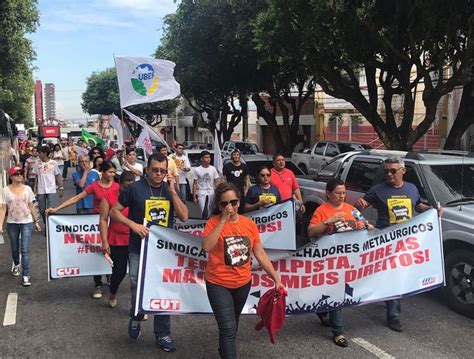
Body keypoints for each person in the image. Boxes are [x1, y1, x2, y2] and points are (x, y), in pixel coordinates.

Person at [110, 153, 188, 353]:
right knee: (138, 286)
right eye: (155, 170)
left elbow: (185, 216)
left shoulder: (170, 189)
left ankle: (162, 333)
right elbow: (114, 212)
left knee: (164, 290)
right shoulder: (135, 189)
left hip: (164, 251)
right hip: (139, 247)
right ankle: (136, 316)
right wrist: (132, 225)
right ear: (147, 170)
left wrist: (172, 190)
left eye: (163, 171)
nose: (159, 174)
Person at [354, 157, 443, 332]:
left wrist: (433, 210)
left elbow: (417, 206)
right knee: (388, 274)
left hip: (405, 241)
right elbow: (357, 209)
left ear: (403, 171)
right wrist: (362, 217)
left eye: (392, 171)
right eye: (386, 171)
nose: (388, 174)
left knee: (397, 274)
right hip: (385, 241)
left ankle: (391, 306)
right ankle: (390, 310)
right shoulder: (377, 190)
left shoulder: (411, 188)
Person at [202, 182, 284, 358]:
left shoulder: (249, 224)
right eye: (225, 203)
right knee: (228, 327)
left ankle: (224, 350)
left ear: (239, 201)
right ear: (219, 205)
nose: (230, 207)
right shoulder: (213, 223)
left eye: (234, 202)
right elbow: (207, 247)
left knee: (232, 324)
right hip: (218, 284)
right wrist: (222, 220)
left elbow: (259, 253)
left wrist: (276, 278)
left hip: (242, 283)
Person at [308, 178, 372, 347]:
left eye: (344, 192)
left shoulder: (351, 209)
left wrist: (366, 226)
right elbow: (311, 231)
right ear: (329, 193)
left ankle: (330, 321)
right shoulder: (322, 210)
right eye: (338, 193)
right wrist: (328, 222)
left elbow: (363, 223)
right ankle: (334, 327)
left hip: (347, 261)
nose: (342, 196)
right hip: (328, 261)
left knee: (337, 292)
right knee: (331, 291)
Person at [47, 161, 119, 298]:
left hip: (113, 224)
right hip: (96, 224)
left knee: (112, 252)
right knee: (97, 252)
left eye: (114, 172)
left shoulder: (117, 186)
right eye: (110, 172)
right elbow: (76, 198)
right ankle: (98, 284)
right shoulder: (94, 186)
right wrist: (56, 209)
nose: (113, 175)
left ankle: (111, 280)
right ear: (102, 172)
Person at [0, 166, 41, 286]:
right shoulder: (5, 190)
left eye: (21, 174)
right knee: (14, 249)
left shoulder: (27, 189)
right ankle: (17, 264)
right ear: (11, 176)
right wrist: (0, 224)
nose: (20, 176)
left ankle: (26, 275)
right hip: (12, 223)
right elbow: (3, 208)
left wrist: (36, 221)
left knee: (25, 250)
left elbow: (31, 205)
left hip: (26, 222)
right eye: (17, 174)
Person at [99, 171, 135, 308]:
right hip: (117, 240)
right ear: (119, 184)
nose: (128, 191)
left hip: (135, 239)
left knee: (136, 274)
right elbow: (103, 219)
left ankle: (137, 306)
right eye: (125, 187)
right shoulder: (108, 196)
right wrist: (104, 241)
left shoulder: (137, 196)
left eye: (131, 188)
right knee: (119, 272)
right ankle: (112, 291)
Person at [32, 146, 63, 225]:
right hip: (41, 189)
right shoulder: (37, 162)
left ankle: (49, 226)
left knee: (50, 209)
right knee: (42, 209)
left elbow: (57, 175)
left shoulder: (53, 163)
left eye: (40, 153)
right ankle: (46, 222)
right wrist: (34, 189)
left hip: (52, 189)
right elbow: (36, 177)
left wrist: (61, 187)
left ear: (45, 153)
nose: (39, 154)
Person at [193, 150, 220, 218]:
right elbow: (195, 183)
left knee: (210, 210)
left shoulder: (213, 169)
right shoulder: (197, 170)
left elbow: (216, 181)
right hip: (201, 191)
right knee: (203, 209)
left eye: (209, 157)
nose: (208, 159)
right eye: (206, 157)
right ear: (202, 159)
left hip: (211, 191)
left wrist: (219, 193)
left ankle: (209, 222)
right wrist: (194, 196)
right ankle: (203, 222)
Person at [223, 149, 250, 213]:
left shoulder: (244, 166)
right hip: (230, 192)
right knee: (231, 210)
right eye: (234, 154)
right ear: (231, 156)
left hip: (241, 193)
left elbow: (247, 179)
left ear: (240, 156)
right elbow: (224, 180)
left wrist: (246, 191)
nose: (236, 156)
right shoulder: (227, 166)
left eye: (237, 155)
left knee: (241, 210)